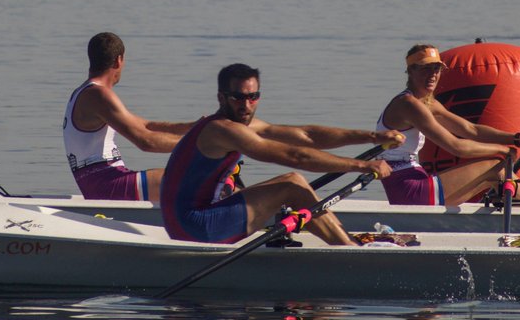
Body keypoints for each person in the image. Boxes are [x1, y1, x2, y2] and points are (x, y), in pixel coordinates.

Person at [160, 63, 400, 246]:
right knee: (292, 186)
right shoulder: (222, 130)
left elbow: (307, 136)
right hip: (193, 227)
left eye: (253, 97)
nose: (246, 105)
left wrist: (372, 137)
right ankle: (350, 252)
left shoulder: (239, 124)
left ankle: (344, 243)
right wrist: (362, 166)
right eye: (238, 98)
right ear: (221, 98)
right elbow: (295, 156)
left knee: (291, 182)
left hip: (190, 221)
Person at [375, 44, 520, 206]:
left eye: (437, 68)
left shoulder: (427, 103)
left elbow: (471, 130)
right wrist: (502, 150)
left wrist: (516, 139)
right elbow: (456, 147)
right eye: (426, 68)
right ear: (411, 70)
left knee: (500, 173)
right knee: (497, 169)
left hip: (415, 181)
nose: (433, 74)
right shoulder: (408, 105)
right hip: (408, 190)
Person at [63, 32, 194, 202]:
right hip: (107, 186)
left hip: (104, 182)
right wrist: (197, 145)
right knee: (193, 180)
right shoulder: (99, 95)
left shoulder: (84, 92)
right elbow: (145, 141)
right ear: (119, 60)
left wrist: (195, 127)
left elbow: (147, 126)